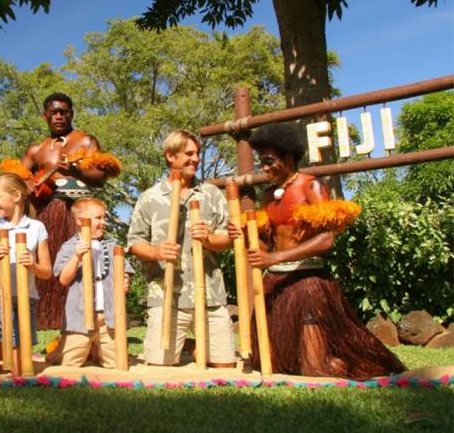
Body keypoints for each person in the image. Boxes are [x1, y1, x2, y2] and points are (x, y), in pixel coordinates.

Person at [228, 123, 404, 379]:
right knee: (272, 362)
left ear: (288, 157)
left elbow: (326, 240)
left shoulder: (312, 186)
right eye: (261, 163)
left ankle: (344, 362)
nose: (264, 169)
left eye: (269, 161)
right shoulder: (268, 196)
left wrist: (274, 257)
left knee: (315, 368)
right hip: (276, 283)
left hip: (308, 284)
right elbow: (266, 247)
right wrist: (244, 235)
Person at [1, 92, 120, 329]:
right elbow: (14, 180)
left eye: (63, 112)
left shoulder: (85, 142)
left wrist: (76, 172)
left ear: (71, 113)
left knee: (84, 265)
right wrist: (28, 183)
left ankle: (87, 323)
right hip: (48, 213)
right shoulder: (37, 150)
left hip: (81, 214)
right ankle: (50, 321)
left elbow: (100, 177)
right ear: (45, 115)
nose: (58, 116)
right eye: (53, 112)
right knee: (51, 265)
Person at [127, 129, 237, 368]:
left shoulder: (211, 194)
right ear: (170, 156)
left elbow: (228, 238)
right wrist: (156, 252)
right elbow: (134, 242)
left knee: (225, 366)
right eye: (189, 153)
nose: (196, 159)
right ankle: (187, 346)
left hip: (209, 294)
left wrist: (208, 239)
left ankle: (196, 348)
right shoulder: (150, 197)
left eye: (198, 153)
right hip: (167, 296)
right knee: (160, 366)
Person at [0, 173, 51, 376]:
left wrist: (32, 265)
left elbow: (47, 272)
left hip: (24, 301)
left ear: (16, 195)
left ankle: (5, 351)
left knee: (20, 370)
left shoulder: (37, 228)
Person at [48, 198, 134, 368]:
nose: (104, 222)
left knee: (119, 363)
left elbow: (126, 272)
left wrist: (125, 280)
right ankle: (59, 352)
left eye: (104, 218)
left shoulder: (112, 246)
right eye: (98, 218)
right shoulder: (69, 246)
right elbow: (64, 279)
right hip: (80, 318)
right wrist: (76, 257)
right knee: (69, 363)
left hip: (109, 317)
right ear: (80, 221)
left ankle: (95, 350)